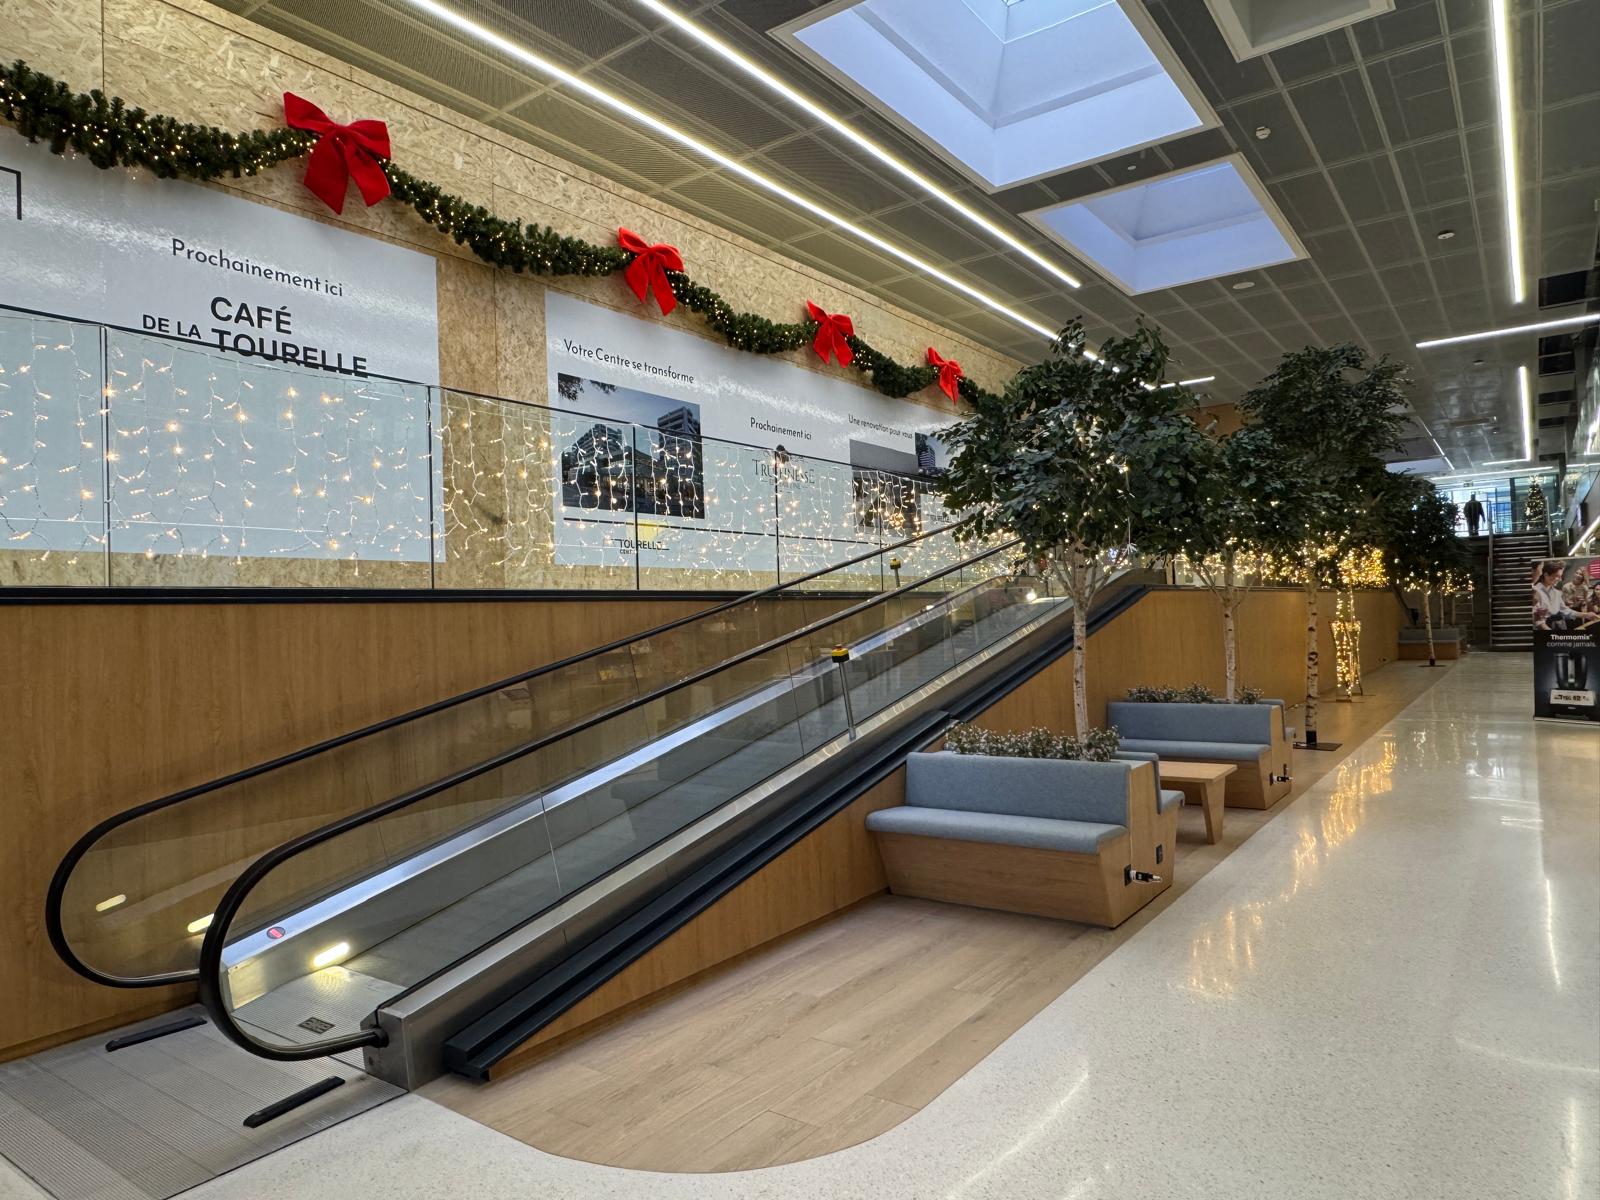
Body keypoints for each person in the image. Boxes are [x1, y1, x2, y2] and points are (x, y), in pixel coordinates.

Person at [1533, 561, 1600, 630]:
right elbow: (1540, 623)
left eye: (1561, 576)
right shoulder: (1536, 592)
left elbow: (1565, 610)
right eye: (1557, 576)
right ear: (1546, 575)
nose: (1560, 579)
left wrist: (1586, 615)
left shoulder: (1556, 593)